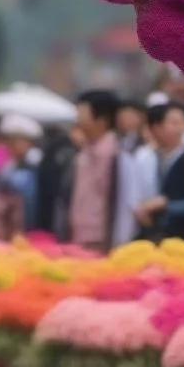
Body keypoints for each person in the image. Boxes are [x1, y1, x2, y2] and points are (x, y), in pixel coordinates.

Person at [133, 101, 184, 243]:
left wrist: (166, 205)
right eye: (173, 123)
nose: (180, 128)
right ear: (156, 128)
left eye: (182, 123)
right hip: (154, 234)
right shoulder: (147, 157)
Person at [69, 90, 120, 251]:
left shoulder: (112, 152)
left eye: (83, 115)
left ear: (102, 119)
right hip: (78, 232)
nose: (78, 121)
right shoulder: (85, 150)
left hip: (98, 236)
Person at [0, 114, 42, 240]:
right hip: (1, 226)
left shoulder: (33, 165)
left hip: (26, 226)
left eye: (27, 142)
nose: (25, 146)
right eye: (20, 141)